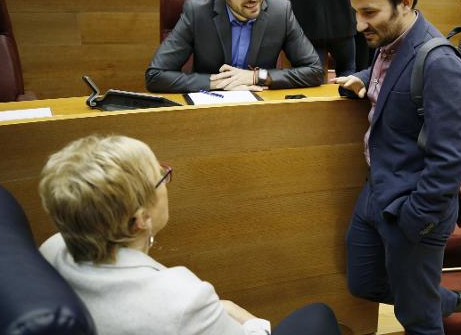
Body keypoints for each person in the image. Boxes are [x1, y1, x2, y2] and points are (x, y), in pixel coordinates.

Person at [39, 135, 342, 335]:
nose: (166, 182)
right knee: (319, 317)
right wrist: (249, 320)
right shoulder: (182, 299)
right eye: (160, 177)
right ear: (140, 220)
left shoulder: (52, 249)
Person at [335, 0, 461, 334]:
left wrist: (416, 219)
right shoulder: (390, 41)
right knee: (362, 281)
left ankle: (428, 302)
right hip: (377, 190)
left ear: (405, 3)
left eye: (369, 12)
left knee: (417, 320)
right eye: (356, 11)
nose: (360, 23)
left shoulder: (440, 63)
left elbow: (452, 159)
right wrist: (366, 76)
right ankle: (437, 297)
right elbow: (392, 76)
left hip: (413, 209)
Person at [146, 0, 323, 93]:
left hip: (260, 106)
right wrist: (220, 82)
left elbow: (314, 71)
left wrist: (255, 77)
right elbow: (155, 75)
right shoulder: (197, 12)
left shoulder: (281, 11)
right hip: (211, 106)